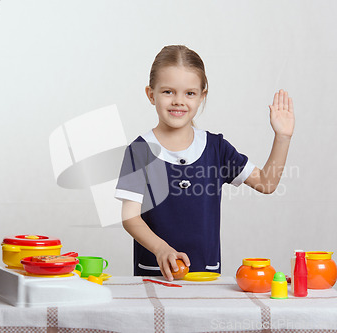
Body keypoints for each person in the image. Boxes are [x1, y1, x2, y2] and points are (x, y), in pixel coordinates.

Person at [114, 45, 295, 281]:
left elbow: (267, 183)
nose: (179, 101)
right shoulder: (139, 151)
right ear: (151, 94)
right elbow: (130, 218)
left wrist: (282, 137)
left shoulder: (216, 148)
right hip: (154, 276)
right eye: (168, 92)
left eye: (189, 93)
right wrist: (161, 250)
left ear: (202, 96)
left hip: (205, 277)